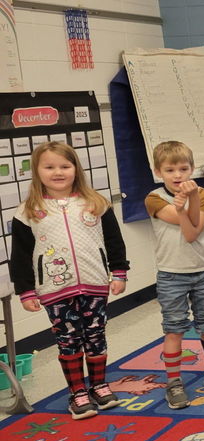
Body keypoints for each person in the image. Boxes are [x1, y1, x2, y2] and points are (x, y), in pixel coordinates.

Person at [10, 141, 129, 420]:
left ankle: (99, 385)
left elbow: (114, 241)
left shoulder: (96, 203)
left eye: (65, 165)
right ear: (37, 171)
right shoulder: (29, 210)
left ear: (76, 168)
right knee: (68, 339)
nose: (58, 172)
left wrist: (119, 272)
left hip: (95, 284)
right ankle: (78, 393)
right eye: (49, 166)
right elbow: (20, 256)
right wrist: (26, 291)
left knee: (96, 336)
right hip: (55, 289)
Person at [146, 141, 204, 409]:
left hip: (203, 271)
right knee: (174, 328)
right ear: (158, 172)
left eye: (183, 169)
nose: (177, 175)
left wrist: (190, 200)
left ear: (192, 170)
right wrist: (181, 207)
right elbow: (186, 228)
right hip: (171, 274)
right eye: (170, 170)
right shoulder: (154, 199)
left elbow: (193, 233)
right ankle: (174, 382)